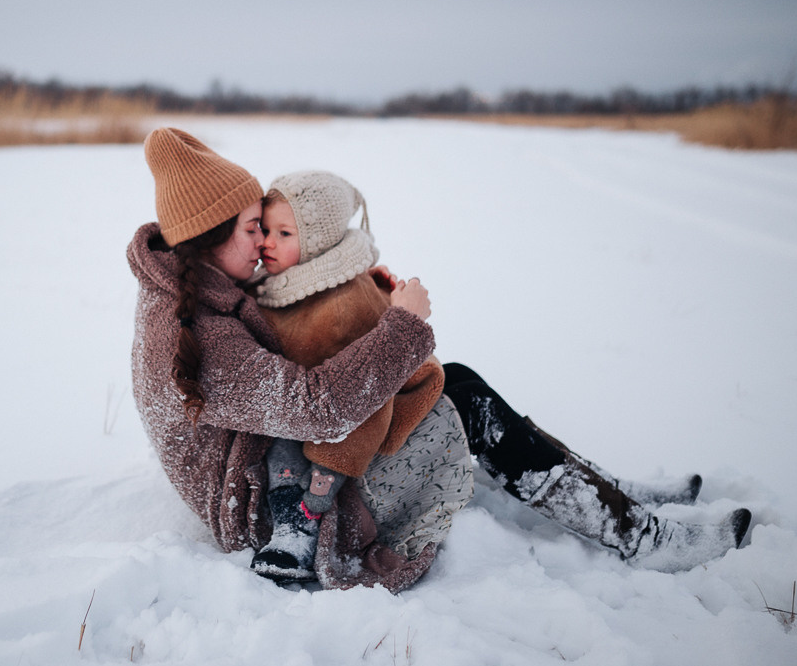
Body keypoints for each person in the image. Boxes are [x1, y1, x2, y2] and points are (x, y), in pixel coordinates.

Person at [128, 127, 750, 592]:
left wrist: (357, 286)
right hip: (294, 514)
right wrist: (402, 325)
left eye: (267, 227)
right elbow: (316, 409)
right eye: (250, 228)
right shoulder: (198, 334)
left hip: (303, 468)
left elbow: (290, 330)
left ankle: (611, 493)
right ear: (209, 239)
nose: (263, 242)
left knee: (460, 384)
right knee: (466, 408)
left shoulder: (196, 288)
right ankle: (639, 536)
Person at [246, 171, 459, 581]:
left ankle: (301, 524)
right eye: (266, 229)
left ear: (319, 243)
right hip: (302, 413)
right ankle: (290, 514)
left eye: (285, 233)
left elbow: (370, 395)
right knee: (281, 449)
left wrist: (327, 476)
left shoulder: (340, 310)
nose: (267, 242)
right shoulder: (277, 285)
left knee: (298, 464)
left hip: (356, 429)